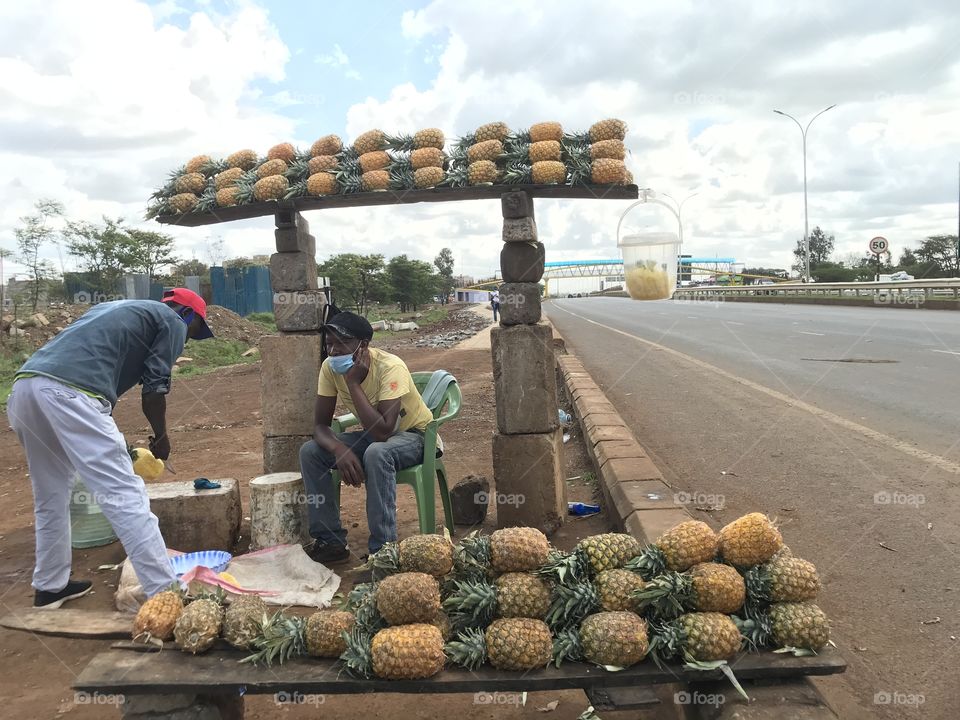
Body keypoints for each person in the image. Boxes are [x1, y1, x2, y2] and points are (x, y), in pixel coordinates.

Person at [6, 288, 214, 608]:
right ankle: (166, 594)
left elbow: (89, 372)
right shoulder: (173, 321)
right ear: (187, 314)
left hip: (25, 389)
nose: (186, 340)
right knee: (125, 495)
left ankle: (49, 586)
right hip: (71, 395)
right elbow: (154, 391)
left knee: (51, 496)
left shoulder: (115, 309)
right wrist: (162, 438)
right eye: (195, 330)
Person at [300, 311, 434, 563]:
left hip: (415, 436)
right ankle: (330, 542)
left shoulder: (390, 367)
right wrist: (339, 449)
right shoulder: (329, 369)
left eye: (342, 344)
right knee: (311, 452)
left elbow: (384, 431)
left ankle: (383, 552)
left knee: (377, 451)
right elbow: (320, 426)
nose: (333, 351)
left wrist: (353, 384)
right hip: (377, 437)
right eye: (329, 344)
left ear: (363, 346)